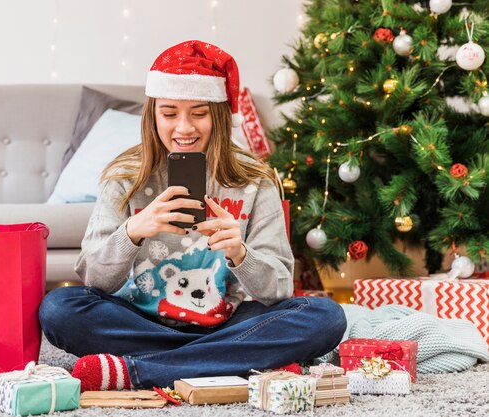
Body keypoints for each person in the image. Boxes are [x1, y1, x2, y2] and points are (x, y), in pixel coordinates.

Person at [39, 40, 346, 391]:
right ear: (153, 115)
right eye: (169, 113)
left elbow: (277, 289)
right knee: (58, 308)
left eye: (198, 113)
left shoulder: (255, 180)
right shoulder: (124, 176)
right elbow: (94, 281)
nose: (183, 128)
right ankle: (240, 360)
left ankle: (140, 370)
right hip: (140, 320)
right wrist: (132, 233)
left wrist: (240, 254)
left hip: (227, 322)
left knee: (325, 317)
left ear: (216, 115)